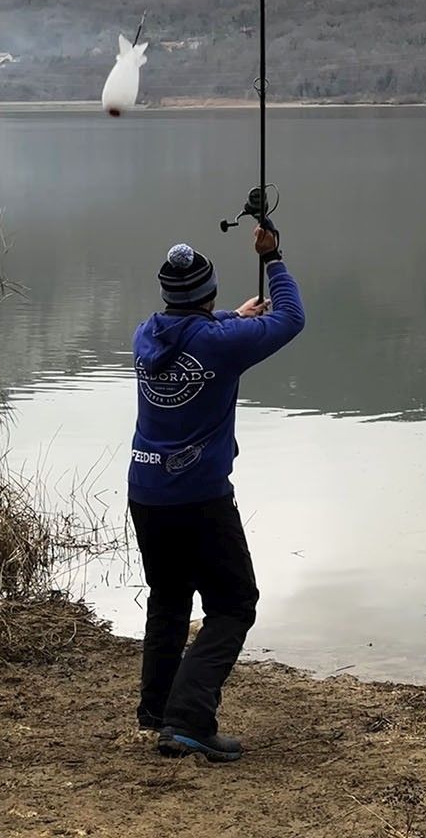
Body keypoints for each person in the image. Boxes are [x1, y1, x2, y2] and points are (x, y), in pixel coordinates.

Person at [127, 223, 305, 762]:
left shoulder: (146, 334)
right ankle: (187, 721)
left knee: (169, 599)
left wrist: (233, 316)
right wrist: (274, 256)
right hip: (199, 496)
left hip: (146, 490)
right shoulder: (222, 345)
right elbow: (292, 318)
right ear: (207, 293)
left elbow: (195, 330)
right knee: (233, 604)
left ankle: (155, 712)